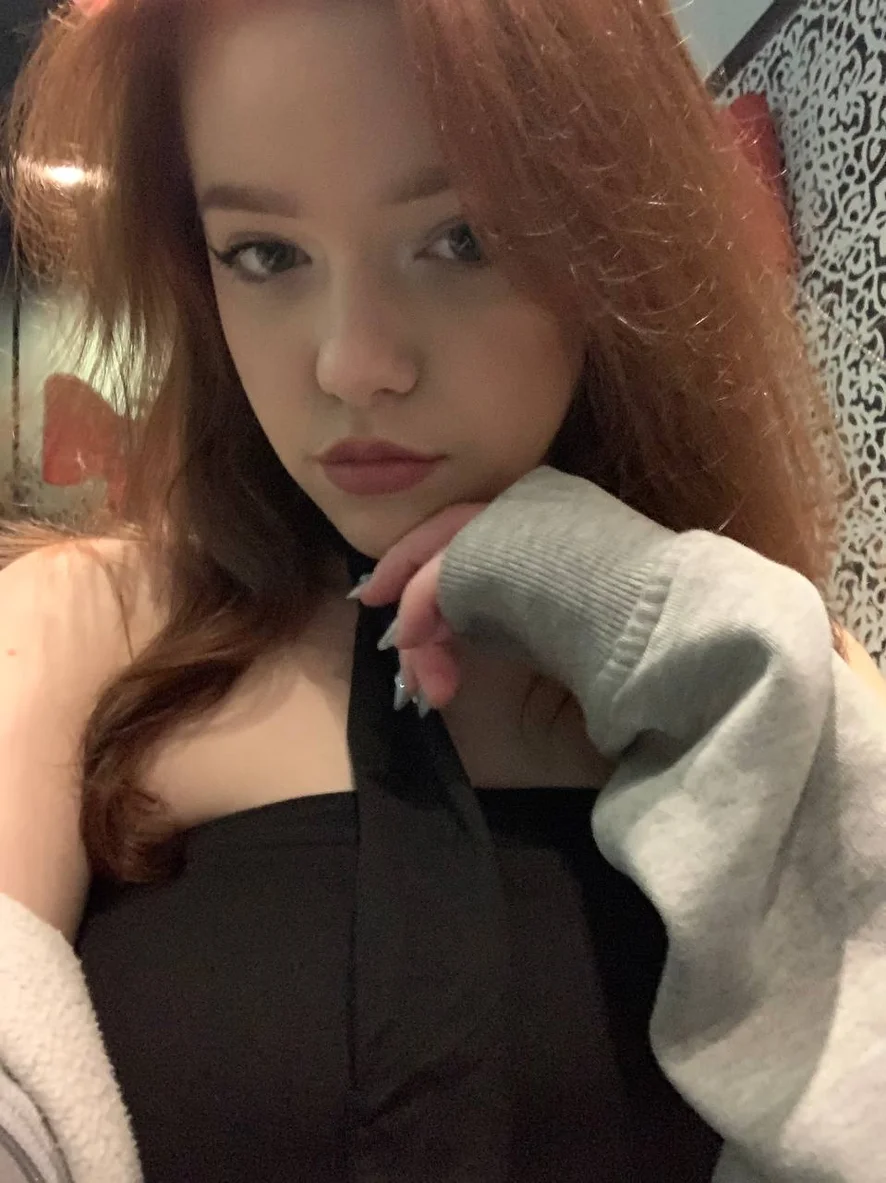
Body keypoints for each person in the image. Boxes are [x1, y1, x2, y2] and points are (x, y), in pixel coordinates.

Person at [1, 0, 885, 1180]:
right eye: (265, 253)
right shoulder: (85, 632)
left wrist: (638, 599)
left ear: (614, 245)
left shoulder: (767, 676)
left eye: (462, 239)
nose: (351, 362)